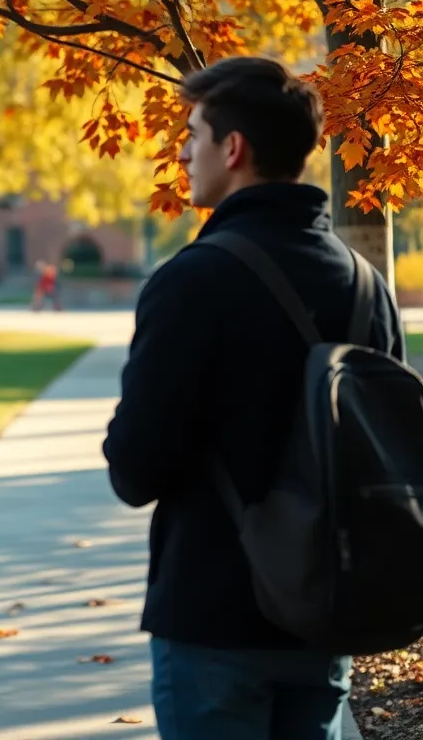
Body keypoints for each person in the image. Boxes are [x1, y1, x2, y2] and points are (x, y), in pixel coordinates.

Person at [102, 57, 404, 740]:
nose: (181, 150)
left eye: (192, 133)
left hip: (213, 615)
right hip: (326, 610)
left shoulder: (193, 280)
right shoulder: (365, 285)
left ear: (232, 149)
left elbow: (135, 470)